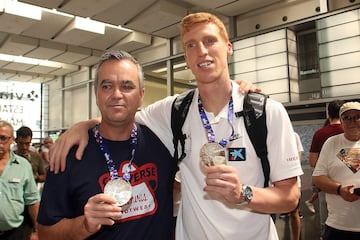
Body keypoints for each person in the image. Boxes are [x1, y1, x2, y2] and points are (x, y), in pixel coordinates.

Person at [49, 12, 303, 240]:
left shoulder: (267, 113)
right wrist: (82, 126)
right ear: (186, 57)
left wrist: (243, 194)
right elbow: (120, 113)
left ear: (228, 47)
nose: (202, 51)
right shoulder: (174, 111)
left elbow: (289, 198)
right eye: (191, 45)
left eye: (210, 41)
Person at [37, 50, 179, 239]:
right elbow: (46, 233)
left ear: (141, 95)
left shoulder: (163, 142)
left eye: (127, 86)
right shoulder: (69, 154)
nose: (116, 94)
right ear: (96, 94)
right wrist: (84, 225)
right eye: (107, 86)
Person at [312, 101, 360, 240]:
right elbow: (318, 177)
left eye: (357, 116)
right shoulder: (331, 143)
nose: (353, 121)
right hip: (339, 226)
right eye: (347, 118)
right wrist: (340, 190)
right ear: (341, 121)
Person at [305, 100, 344, 236]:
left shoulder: (320, 134)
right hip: (350, 183)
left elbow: (312, 161)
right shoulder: (347, 133)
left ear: (328, 114)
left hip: (326, 182)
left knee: (326, 215)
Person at [0, 120, 40, 240]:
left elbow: (32, 201)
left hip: (14, 234)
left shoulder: (23, 165)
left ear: (12, 140)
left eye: (3, 138)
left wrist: (37, 231)